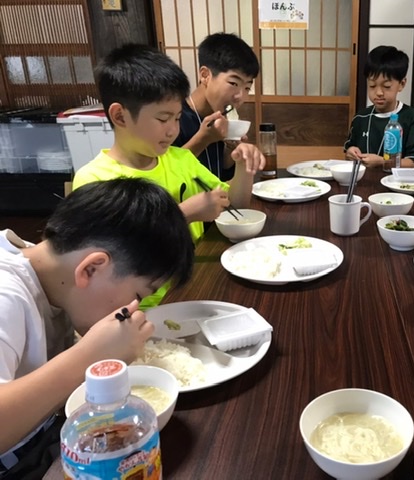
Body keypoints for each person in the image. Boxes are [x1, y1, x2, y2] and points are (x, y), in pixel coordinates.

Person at [0, 178, 194, 479]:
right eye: (138, 295)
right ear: (91, 268)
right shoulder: (6, 295)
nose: (136, 308)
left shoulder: (53, 274)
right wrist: (90, 356)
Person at [73, 44, 264, 307]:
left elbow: (237, 206)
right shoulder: (94, 178)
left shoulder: (180, 159)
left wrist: (243, 166)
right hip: (143, 307)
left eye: (177, 118)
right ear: (120, 116)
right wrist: (183, 215)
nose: (173, 130)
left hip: (197, 285)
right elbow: (112, 260)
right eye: (163, 119)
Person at [174, 32, 260, 181]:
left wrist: (230, 149)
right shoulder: (173, 118)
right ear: (205, 75)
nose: (240, 96)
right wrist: (204, 139)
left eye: (247, 87)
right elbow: (165, 176)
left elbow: (221, 175)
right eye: (233, 83)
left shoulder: (220, 117)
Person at [344, 45, 414, 168]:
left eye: (387, 86)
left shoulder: (412, 117)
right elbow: (348, 151)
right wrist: (350, 153)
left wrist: (383, 162)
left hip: (396, 180)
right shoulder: (360, 117)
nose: (378, 93)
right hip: (363, 179)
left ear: (402, 84)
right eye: (372, 85)